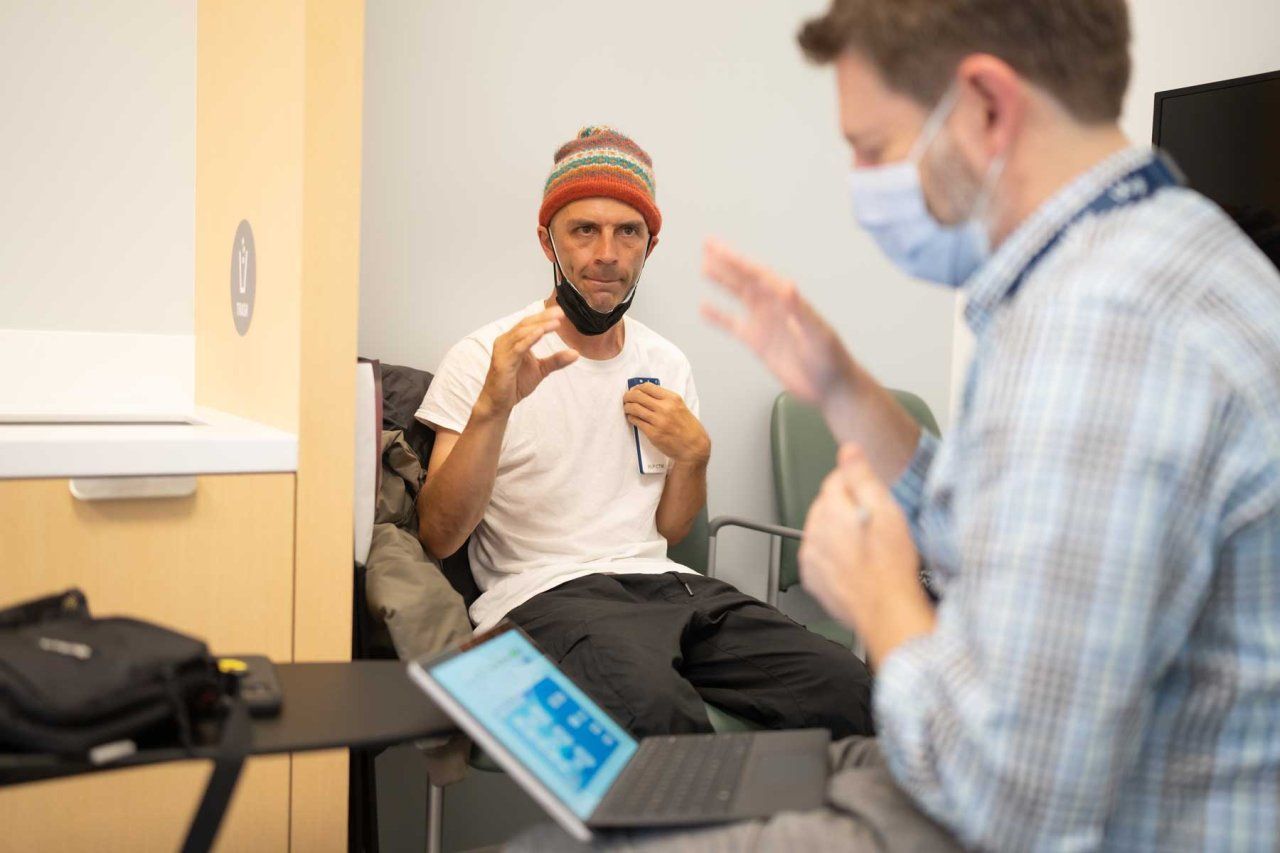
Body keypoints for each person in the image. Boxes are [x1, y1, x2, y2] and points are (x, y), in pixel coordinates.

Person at [513, 0, 1280, 850]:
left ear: (986, 106)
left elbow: (1011, 794)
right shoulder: (1174, 251)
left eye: (873, 147)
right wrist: (845, 391)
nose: (860, 180)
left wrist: (879, 597)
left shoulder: (1099, 327)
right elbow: (997, 517)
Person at [415, 125, 874, 740]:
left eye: (628, 232)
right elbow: (439, 535)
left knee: (849, 688)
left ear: (649, 245)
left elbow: (670, 529)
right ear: (547, 240)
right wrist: (492, 410)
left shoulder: (666, 362)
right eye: (584, 230)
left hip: (669, 588)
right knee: (659, 719)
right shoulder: (485, 358)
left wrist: (696, 456)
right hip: (546, 597)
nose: (607, 253)